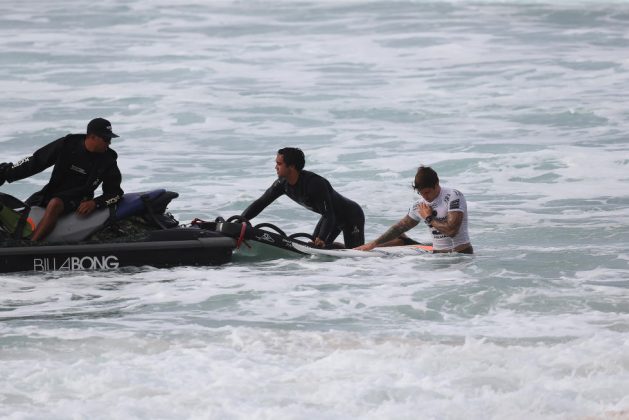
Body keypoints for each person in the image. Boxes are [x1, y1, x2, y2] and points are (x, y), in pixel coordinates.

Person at [0, 118, 124, 241]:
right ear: (92, 137)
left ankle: (31, 247)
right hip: (50, 193)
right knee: (21, 210)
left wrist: (94, 203)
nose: (109, 143)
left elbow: (115, 193)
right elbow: (36, 161)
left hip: (78, 200)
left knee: (55, 203)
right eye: (106, 139)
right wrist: (6, 173)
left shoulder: (108, 160)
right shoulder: (68, 144)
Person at [241, 147, 365, 248]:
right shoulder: (282, 184)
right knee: (313, 247)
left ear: (292, 166)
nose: (276, 167)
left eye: (279, 164)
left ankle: (364, 252)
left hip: (351, 216)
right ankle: (339, 248)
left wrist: (321, 238)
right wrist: (242, 219)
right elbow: (261, 203)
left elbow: (328, 214)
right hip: (330, 216)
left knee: (356, 255)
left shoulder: (315, 183)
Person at [356, 166, 473, 254]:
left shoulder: (453, 196)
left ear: (437, 184)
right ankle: (403, 241)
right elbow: (399, 227)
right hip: (438, 258)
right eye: (421, 193)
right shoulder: (420, 205)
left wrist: (429, 218)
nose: (425, 197)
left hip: (461, 256)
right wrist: (373, 244)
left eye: (427, 192)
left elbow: (452, 231)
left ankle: (404, 242)